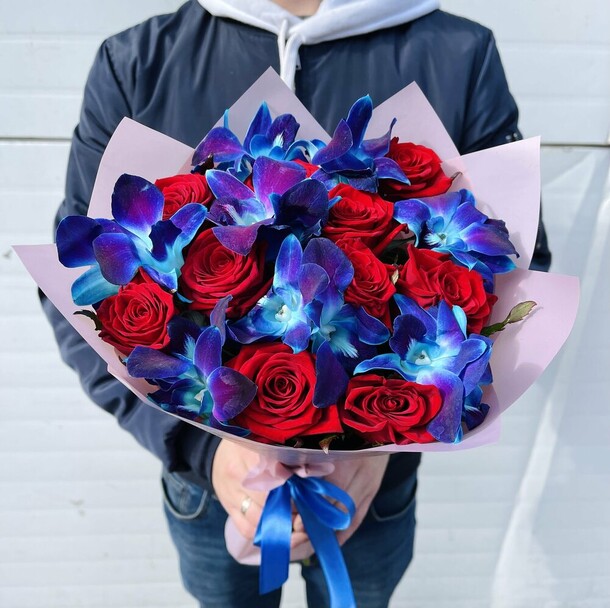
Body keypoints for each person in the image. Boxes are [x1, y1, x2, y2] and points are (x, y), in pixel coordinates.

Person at [40, 1, 552, 607]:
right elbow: (72, 290)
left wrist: (382, 446)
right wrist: (202, 451)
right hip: (213, 491)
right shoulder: (137, 62)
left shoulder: (459, 53)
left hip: (371, 490)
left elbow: (518, 267)